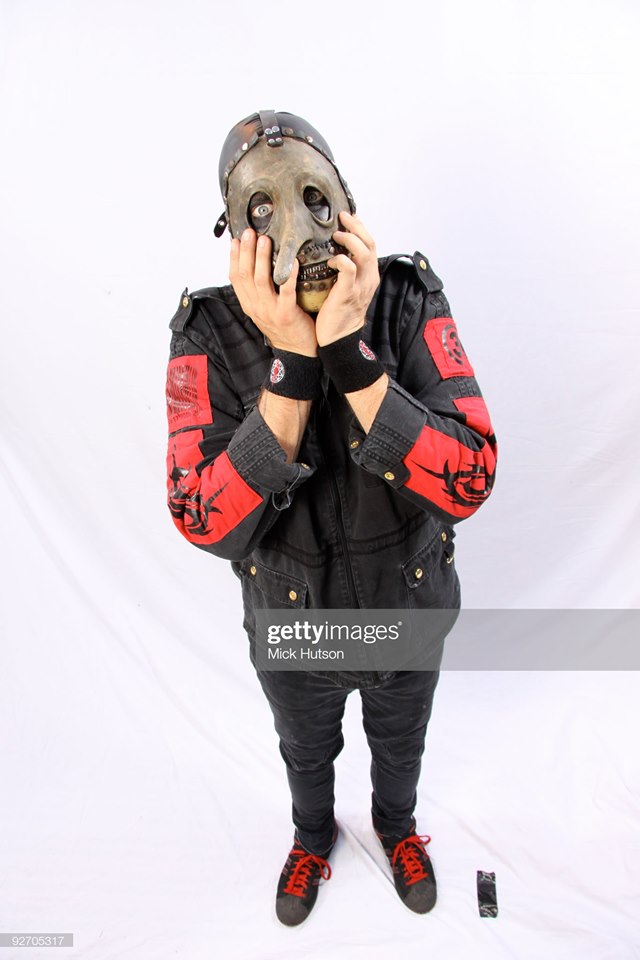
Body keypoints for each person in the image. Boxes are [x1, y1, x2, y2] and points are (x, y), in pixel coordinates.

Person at [165, 110, 497, 926]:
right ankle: (313, 838)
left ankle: (396, 829)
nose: (299, 229)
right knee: (305, 751)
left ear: (347, 202)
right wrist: (292, 363)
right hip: (294, 628)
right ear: (236, 236)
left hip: (405, 612)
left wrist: (349, 351)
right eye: (263, 210)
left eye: (315, 197)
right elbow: (204, 518)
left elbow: (470, 477)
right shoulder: (207, 334)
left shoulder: (408, 300)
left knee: (401, 743)